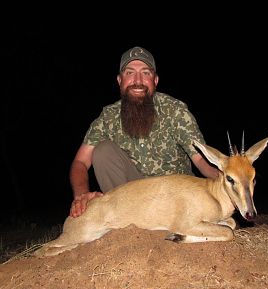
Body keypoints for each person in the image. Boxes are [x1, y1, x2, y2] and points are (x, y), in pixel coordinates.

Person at [69, 46, 219, 218]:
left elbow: (201, 159)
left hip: (175, 196)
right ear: (120, 80)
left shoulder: (175, 110)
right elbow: (80, 162)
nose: (138, 80)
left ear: (155, 80)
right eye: (130, 73)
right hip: (135, 198)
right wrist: (81, 196)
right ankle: (126, 220)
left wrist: (228, 177)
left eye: (146, 73)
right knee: (103, 151)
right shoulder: (107, 117)